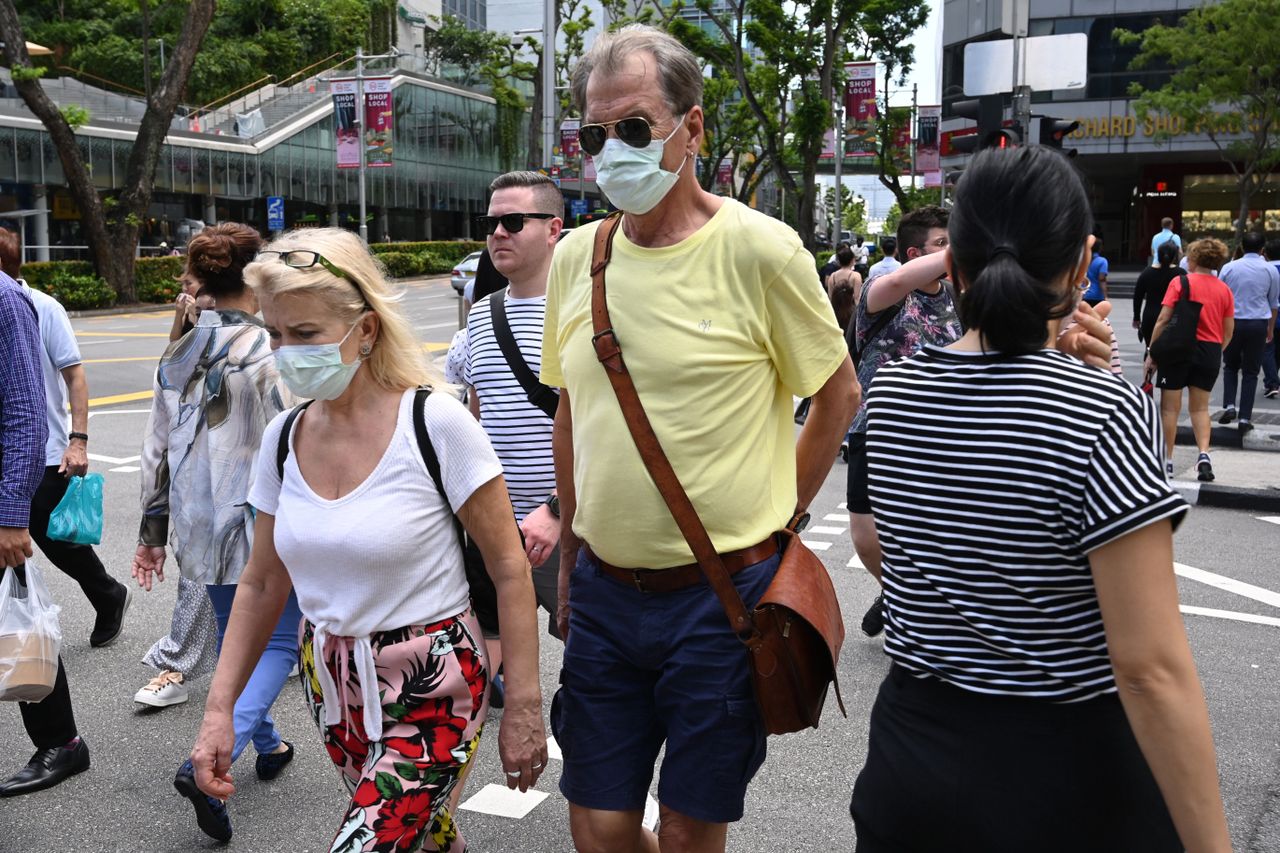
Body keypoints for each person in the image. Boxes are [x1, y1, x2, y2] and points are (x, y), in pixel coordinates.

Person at [851, 145, 1231, 853]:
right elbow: (1149, 668)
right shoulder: (1100, 412)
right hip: (1064, 776)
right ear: (1082, 261)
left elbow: (873, 545)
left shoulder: (892, 397)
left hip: (910, 761)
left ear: (953, 267)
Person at [544, 25, 858, 853]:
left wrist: (779, 526)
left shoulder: (760, 249)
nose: (613, 150)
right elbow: (573, 411)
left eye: (635, 128)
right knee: (600, 826)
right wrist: (571, 555)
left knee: (688, 830)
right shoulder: (578, 258)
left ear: (693, 129)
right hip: (606, 595)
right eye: (595, 133)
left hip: (723, 598)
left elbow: (837, 394)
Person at [189, 227, 546, 853]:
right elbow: (264, 582)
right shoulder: (283, 436)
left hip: (435, 681)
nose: (284, 352)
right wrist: (218, 713)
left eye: (305, 335)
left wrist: (523, 705)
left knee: (366, 843)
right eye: (275, 333)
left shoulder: (437, 423)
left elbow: (510, 569)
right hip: (330, 680)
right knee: (426, 836)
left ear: (367, 330)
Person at [132, 223, 302, 841]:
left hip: (197, 525)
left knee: (239, 636)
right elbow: (296, 445)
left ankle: (272, 746)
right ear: (256, 278)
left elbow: (154, 451)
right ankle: (203, 759)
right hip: (258, 523)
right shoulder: (267, 353)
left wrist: (152, 533)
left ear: (200, 279)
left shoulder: (176, 352)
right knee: (279, 643)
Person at [0, 229, 131, 648]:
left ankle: (109, 595)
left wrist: (78, 440)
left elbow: (74, 376)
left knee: (58, 540)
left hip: (41, 448)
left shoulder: (42, 306)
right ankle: (21, 635)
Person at [465, 170, 567, 707]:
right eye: (491, 224)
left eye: (512, 222)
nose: (498, 233)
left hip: (572, 529)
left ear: (553, 229)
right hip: (495, 528)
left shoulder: (587, 311)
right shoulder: (480, 316)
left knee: (592, 659)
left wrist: (556, 507)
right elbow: (475, 423)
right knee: (478, 669)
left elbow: (610, 429)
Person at [845, 205, 960, 638]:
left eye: (953, 243)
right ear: (915, 253)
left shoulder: (957, 297)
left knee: (934, 533)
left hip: (941, 435)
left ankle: (916, 604)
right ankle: (895, 590)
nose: (951, 253)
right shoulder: (883, 287)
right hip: (875, 427)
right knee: (866, 530)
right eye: (942, 244)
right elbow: (894, 281)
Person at [0, 269, 90, 797]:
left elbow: (24, 414)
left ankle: (62, 741)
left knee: (19, 618)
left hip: (3, 498)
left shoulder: (6, 299)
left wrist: (11, 515)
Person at [1146, 238, 1235, 483]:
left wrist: (1153, 351)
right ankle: (1204, 455)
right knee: (1200, 408)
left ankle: (1168, 462)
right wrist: (1215, 350)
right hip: (1209, 351)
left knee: (1169, 409)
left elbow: (1163, 319)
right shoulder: (1224, 290)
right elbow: (1228, 332)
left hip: (1177, 349)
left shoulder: (1180, 281)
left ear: (1193, 259)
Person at [1216, 231, 1279, 433]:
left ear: (1242, 246)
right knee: (1251, 372)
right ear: (1262, 249)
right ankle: (1244, 418)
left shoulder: (1228, 268)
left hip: (1232, 322)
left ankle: (1229, 406)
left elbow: (1220, 298)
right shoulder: (1270, 270)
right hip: (1257, 323)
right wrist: (1270, 329)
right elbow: (1273, 303)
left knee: (1230, 366)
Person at [1134, 241, 1182, 346]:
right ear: (1174, 256)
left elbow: (1138, 296)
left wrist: (1136, 317)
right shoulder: (1181, 274)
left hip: (1150, 316)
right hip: (1172, 317)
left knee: (1150, 348)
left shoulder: (1147, 272)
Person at [826, 244, 862, 332]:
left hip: (836, 313)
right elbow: (857, 298)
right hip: (850, 313)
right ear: (852, 260)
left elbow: (830, 297)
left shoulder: (832, 276)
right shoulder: (855, 276)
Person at [1263, 238, 1280, 399]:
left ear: (1266, 254)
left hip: (1269, 314)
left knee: (1267, 349)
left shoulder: (1265, 269)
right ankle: (1271, 379)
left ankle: (1272, 382)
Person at [1082, 237, 1108, 306]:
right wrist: (1105, 296)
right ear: (1100, 248)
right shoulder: (1102, 261)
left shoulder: (1082, 260)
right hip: (1097, 297)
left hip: (1083, 295)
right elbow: (1102, 279)